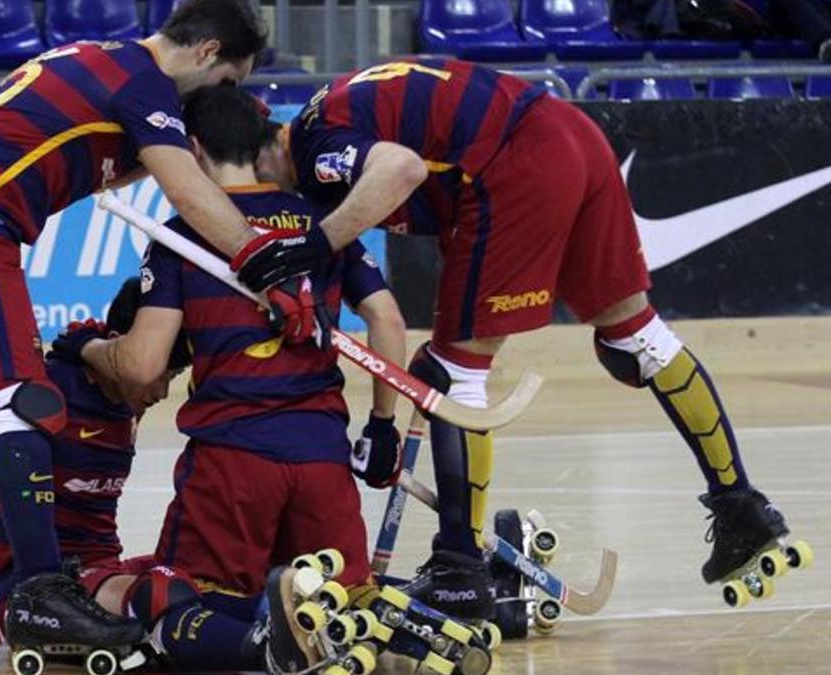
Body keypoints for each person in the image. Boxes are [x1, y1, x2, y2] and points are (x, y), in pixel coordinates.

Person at [249, 57, 795, 619]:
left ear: (257, 153)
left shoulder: (317, 149)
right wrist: (384, 424)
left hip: (517, 159)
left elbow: (402, 170)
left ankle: (459, 573)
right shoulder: (333, 119)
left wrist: (316, 244)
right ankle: (741, 508)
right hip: (570, 135)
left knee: (450, 372)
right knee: (636, 338)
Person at [0, 0, 339, 649]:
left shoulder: (104, 65)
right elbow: (185, 189)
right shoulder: (140, 81)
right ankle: (40, 593)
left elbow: (157, 159)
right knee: (23, 405)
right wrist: (267, 264)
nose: (221, 97)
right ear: (207, 52)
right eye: (230, 81)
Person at [67, 86, 409, 672]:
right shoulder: (320, 224)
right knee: (344, 606)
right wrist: (383, 424)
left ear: (192, 152)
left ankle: (262, 651)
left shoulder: (182, 235)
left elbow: (145, 365)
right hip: (322, 457)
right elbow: (387, 318)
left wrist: (87, 347)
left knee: (177, 604)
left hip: (232, 461)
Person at [0, 277, 190, 662]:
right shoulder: (45, 393)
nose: (162, 391)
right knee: (164, 596)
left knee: (208, 576)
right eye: (162, 374)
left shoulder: (125, 395)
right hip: (37, 590)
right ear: (120, 345)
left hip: (100, 569)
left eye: (171, 376)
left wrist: (85, 344)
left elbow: (87, 342)